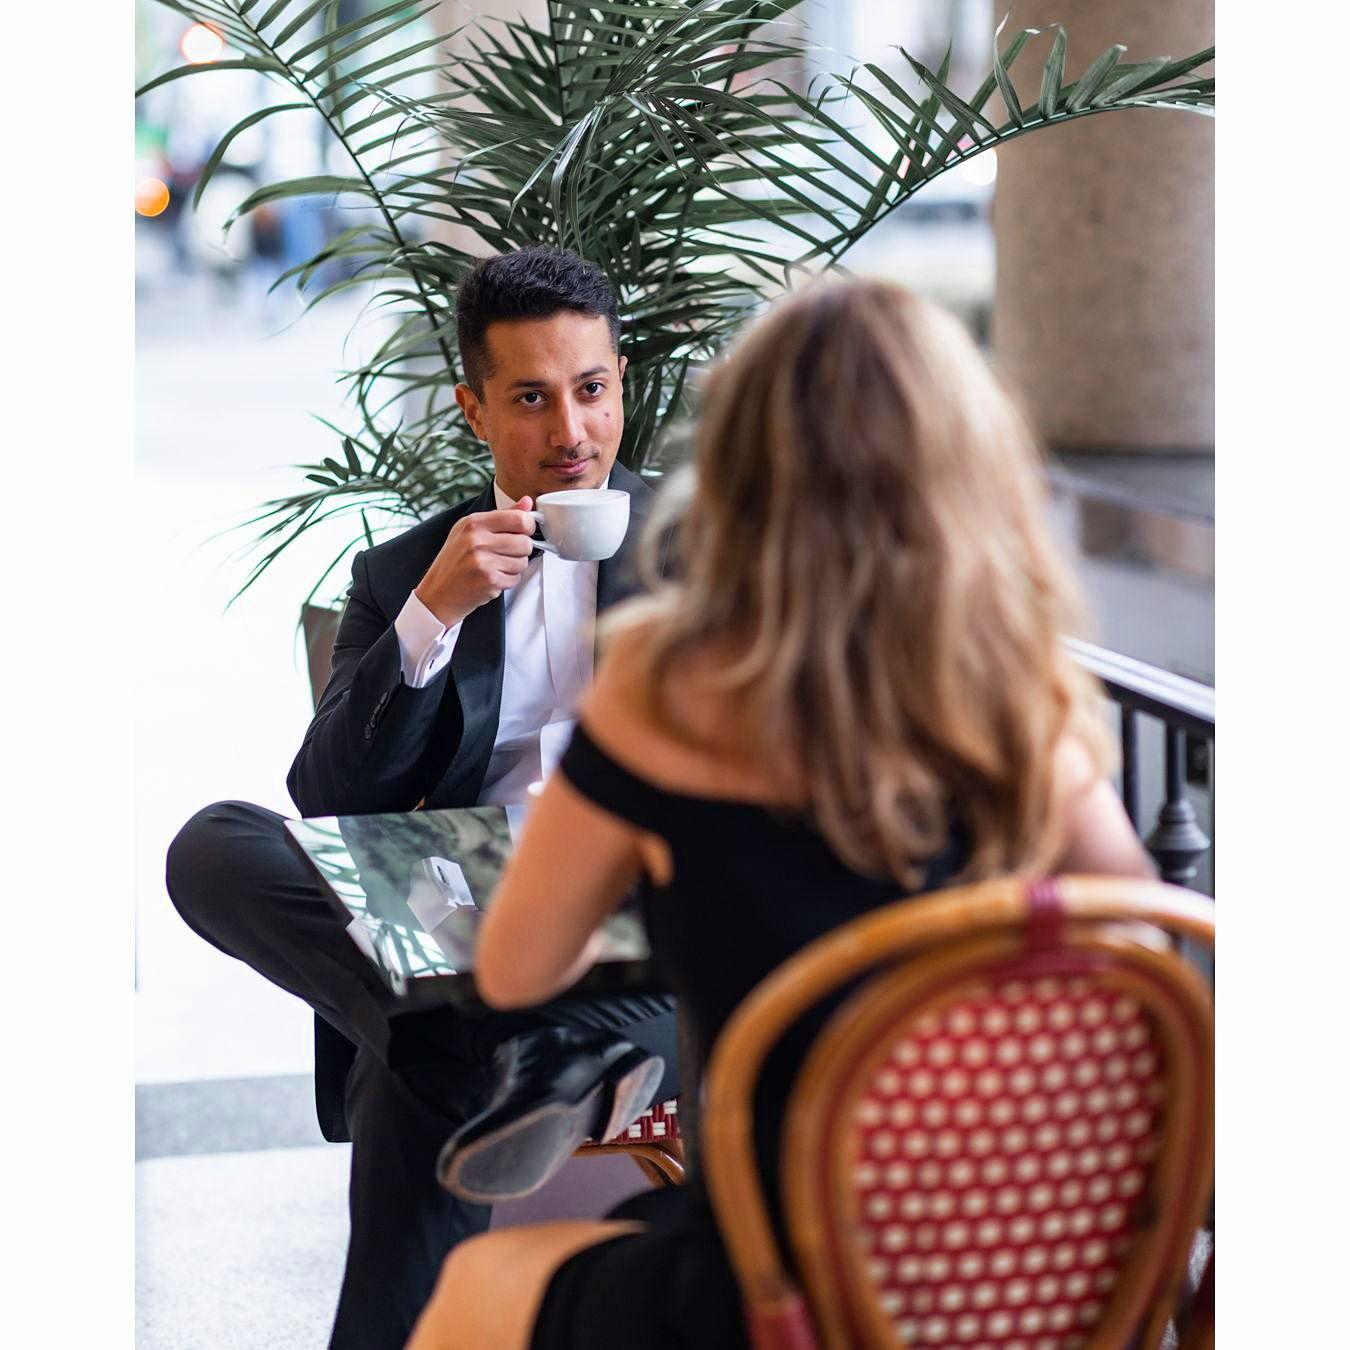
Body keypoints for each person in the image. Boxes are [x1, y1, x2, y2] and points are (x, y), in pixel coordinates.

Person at [405, 277, 1158, 1350]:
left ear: (741, 472)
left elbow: (518, 971)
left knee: (475, 1291)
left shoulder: (662, 689)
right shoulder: (1021, 703)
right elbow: (1144, 953)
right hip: (1026, 1272)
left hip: (786, 1279)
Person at [165, 248, 681, 1350]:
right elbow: (328, 796)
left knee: (418, 1073)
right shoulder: (406, 570)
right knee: (211, 846)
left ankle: (458, 1043)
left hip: (643, 937)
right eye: (531, 399)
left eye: (592, 389)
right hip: (454, 913)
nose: (572, 431)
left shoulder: (709, 548)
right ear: (473, 409)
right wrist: (432, 617)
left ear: (621, 384)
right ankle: (475, 1038)